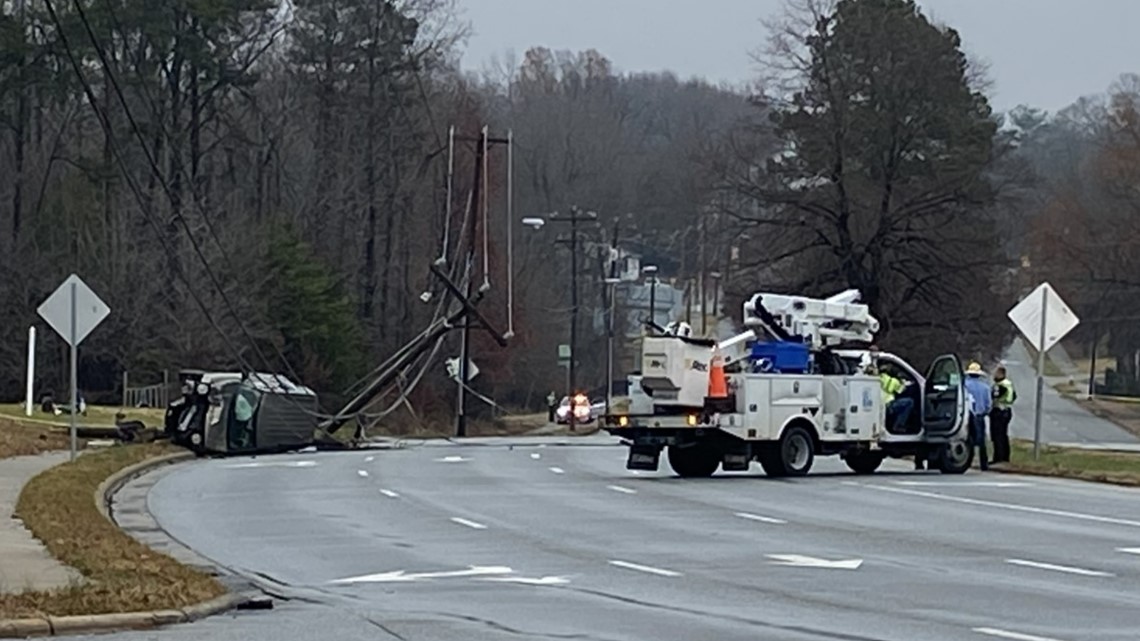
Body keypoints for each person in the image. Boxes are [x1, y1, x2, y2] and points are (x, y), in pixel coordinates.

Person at [964, 362, 993, 471]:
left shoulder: (964, 385)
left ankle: (967, 461)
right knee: (981, 441)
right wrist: (984, 412)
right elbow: (988, 404)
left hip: (967, 416)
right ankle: (983, 464)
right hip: (979, 416)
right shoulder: (985, 388)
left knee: (967, 438)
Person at [989, 366, 1016, 464]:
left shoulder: (999, 385)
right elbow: (1014, 396)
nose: (994, 375)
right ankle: (1005, 457)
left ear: (1001, 374)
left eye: (996, 373)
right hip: (1007, 410)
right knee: (1004, 435)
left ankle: (998, 458)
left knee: (997, 436)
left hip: (999, 411)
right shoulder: (1009, 384)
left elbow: (994, 397)